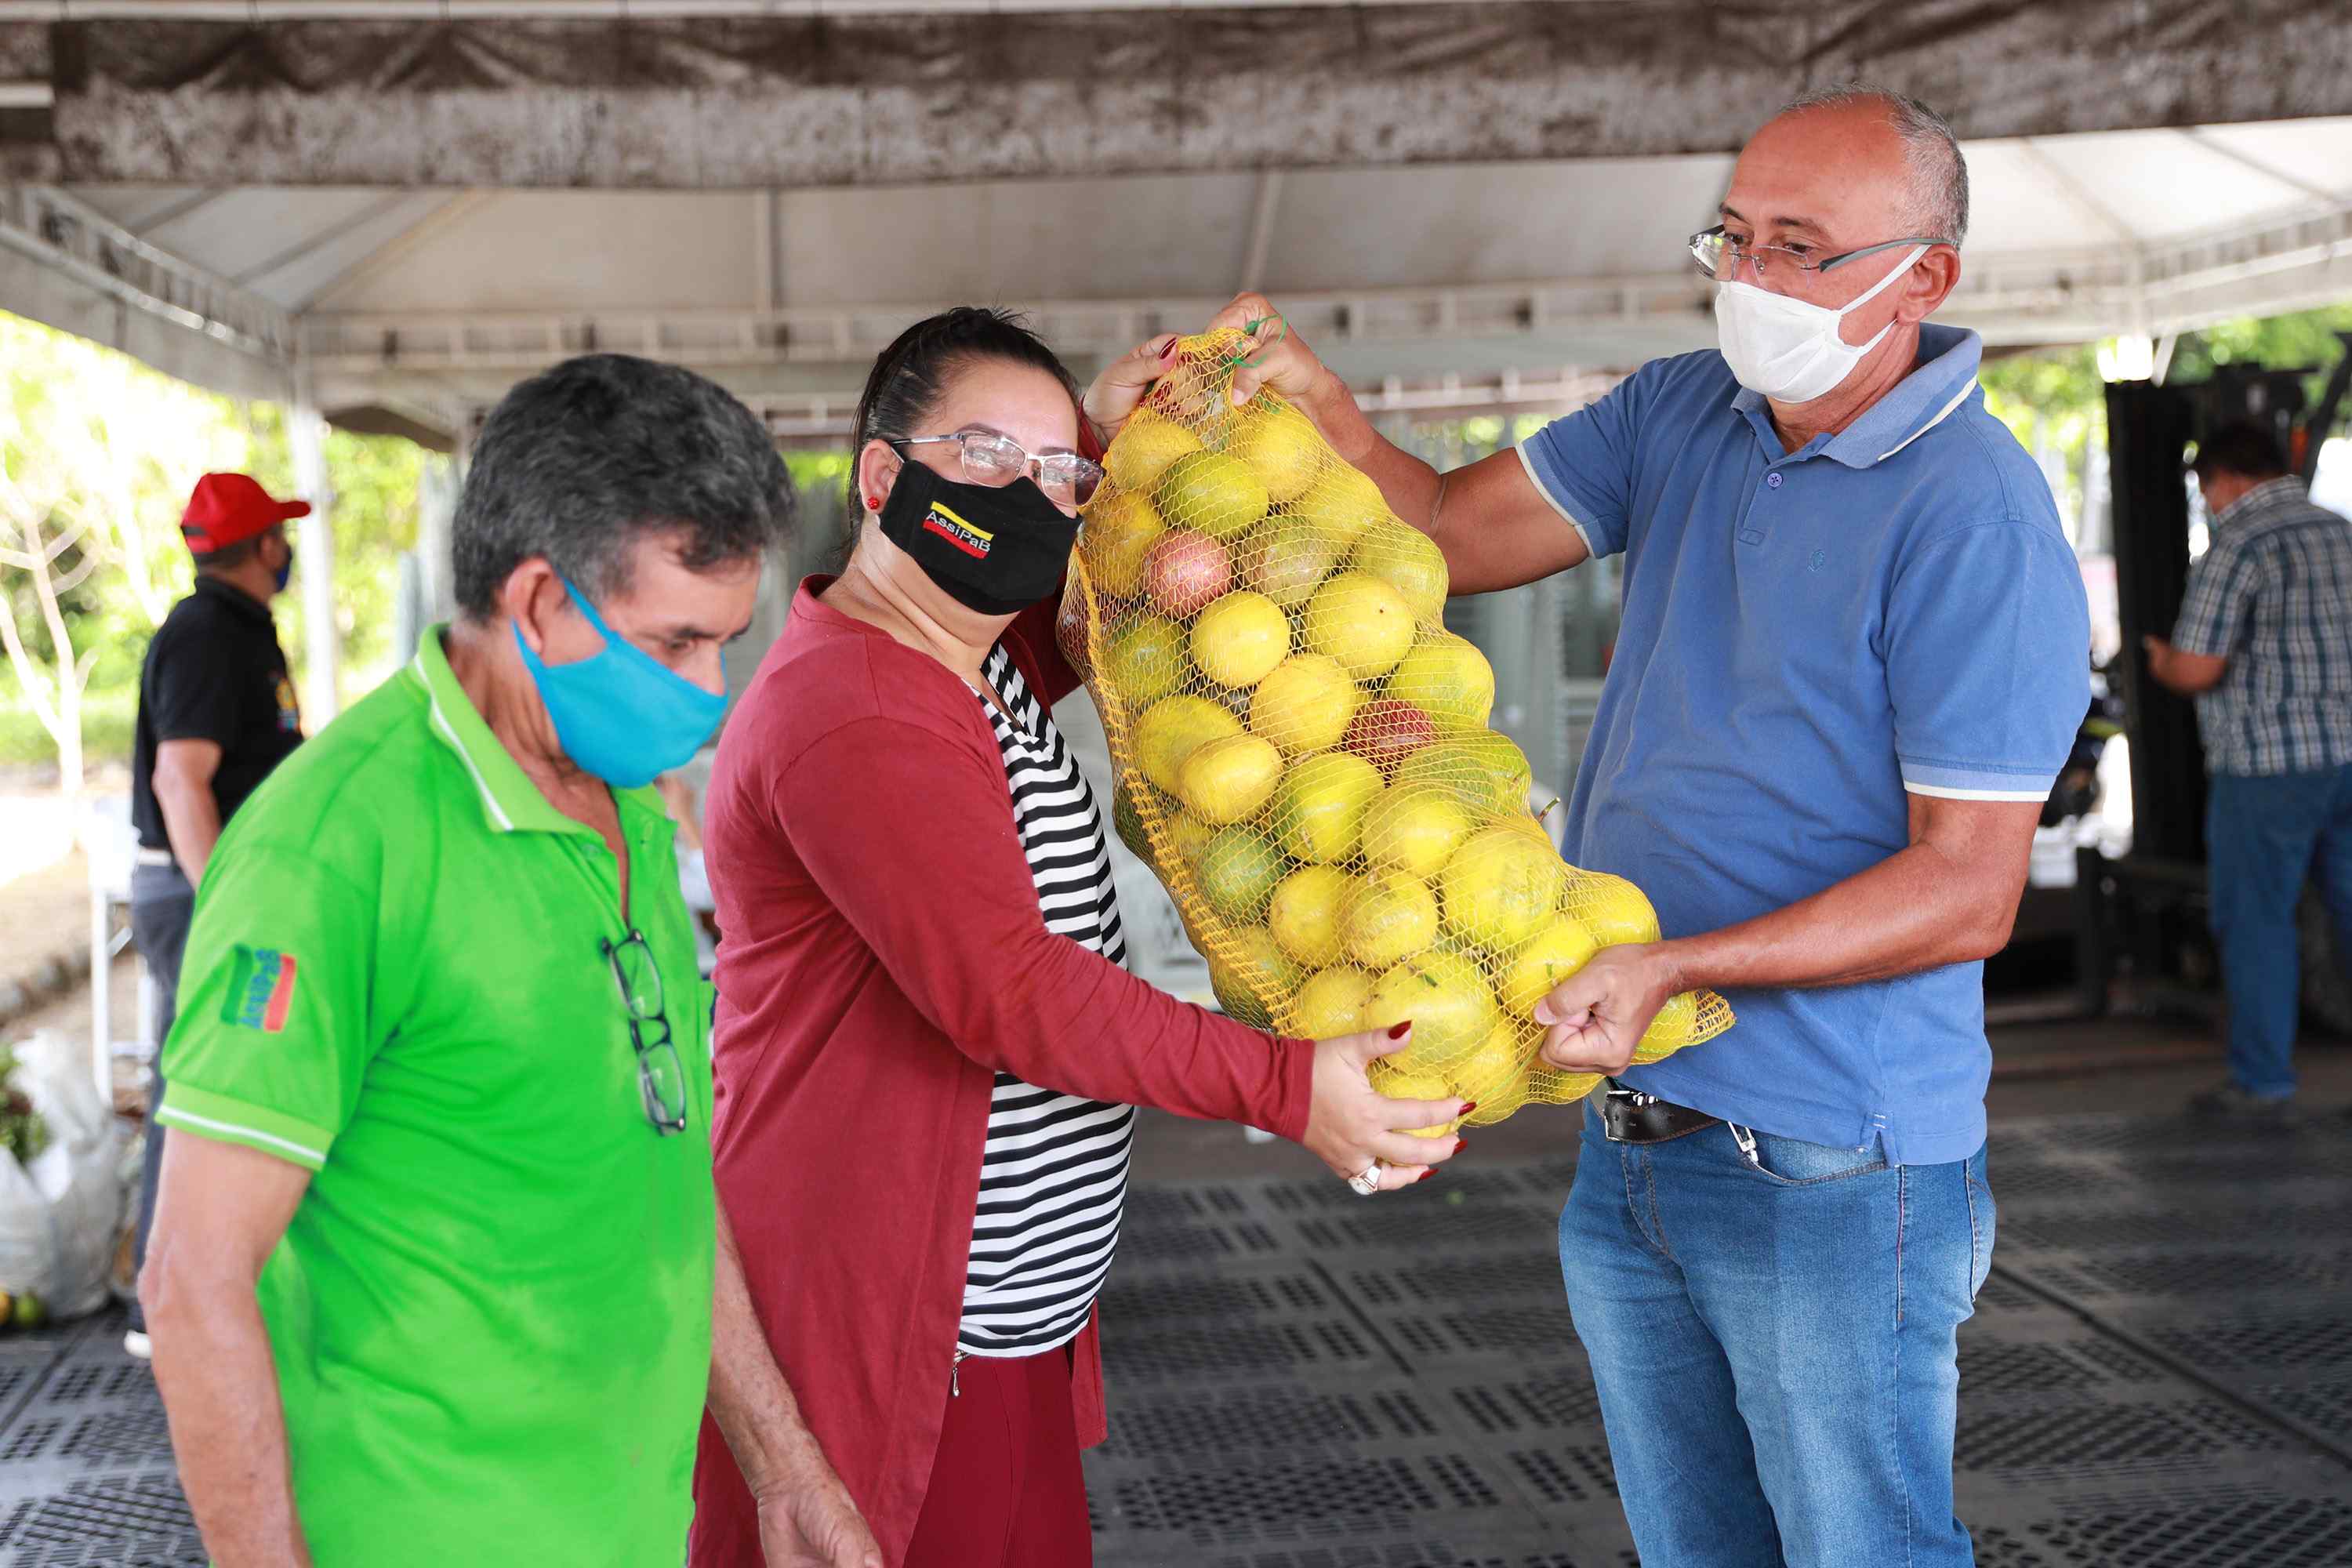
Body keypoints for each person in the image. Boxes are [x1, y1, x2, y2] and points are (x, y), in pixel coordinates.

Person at [1201, 85, 2089, 1567]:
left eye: (1801, 249)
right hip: (1634, 1139)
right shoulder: (1684, 409)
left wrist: (1681, 967)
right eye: (1733, 238)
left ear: (1923, 276)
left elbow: (1969, 893)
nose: (1750, 281)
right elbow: (1439, 531)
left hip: (1832, 1161)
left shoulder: (1974, 512)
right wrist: (1322, 407)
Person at [688, 307, 1466, 1568]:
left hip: (1006, 1325)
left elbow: (1071, 608)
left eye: (1061, 478)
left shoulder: (960, 660)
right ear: (885, 478)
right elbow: (1008, 990)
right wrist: (1282, 1086)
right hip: (900, 1337)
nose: (1032, 502)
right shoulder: (860, 704)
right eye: (987, 455)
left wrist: (1102, 436)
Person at [140, 354, 878, 1568]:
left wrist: (781, 1464)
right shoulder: (334, 851)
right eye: (677, 644)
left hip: (633, 1526)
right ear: (539, 602)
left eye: (725, 645)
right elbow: (194, 1281)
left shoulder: (624, 802)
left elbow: (665, 1165)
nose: (708, 691)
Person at [123, 471, 308, 1360]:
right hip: (196, 892)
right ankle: (171, 1304)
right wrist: (226, 900)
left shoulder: (239, 630)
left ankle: (189, 1292)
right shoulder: (203, 635)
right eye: (281, 535)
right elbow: (179, 778)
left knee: (203, 1082)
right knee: (200, 1090)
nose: (288, 551)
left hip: (217, 887)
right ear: (263, 543)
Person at [2145, 419, 2352, 1117]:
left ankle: (2263, 1081)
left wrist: (2160, 662)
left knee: (2259, 918)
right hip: (2351, 757)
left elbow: (2201, 668)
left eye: (2207, 490)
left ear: (2225, 481)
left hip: (2270, 765)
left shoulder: (2238, 543)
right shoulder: (2341, 530)